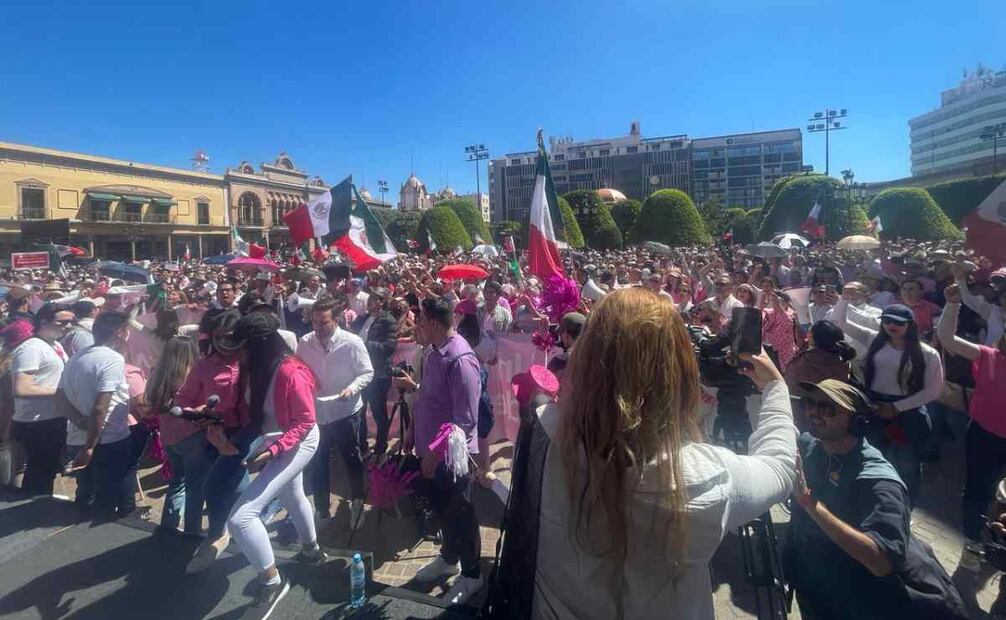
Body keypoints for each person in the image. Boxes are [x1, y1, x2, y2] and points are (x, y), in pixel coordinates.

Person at [531, 287, 797, 618]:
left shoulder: (542, 432)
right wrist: (775, 388)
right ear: (679, 374)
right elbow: (780, 467)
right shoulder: (706, 478)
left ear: (585, 357)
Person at [788, 379, 967, 620]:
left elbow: (881, 561)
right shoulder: (812, 446)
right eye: (810, 404)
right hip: (819, 589)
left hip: (865, 603)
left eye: (826, 408)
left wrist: (810, 504)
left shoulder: (879, 482)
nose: (813, 412)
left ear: (857, 422)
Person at [223, 312, 325, 620]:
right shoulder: (254, 368)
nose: (236, 353)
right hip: (277, 438)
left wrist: (274, 451)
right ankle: (312, 550)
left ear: (261, 345)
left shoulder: (292, 372)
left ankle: (271, 583)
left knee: (241, 519)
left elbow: (305, 421)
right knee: (292, 495)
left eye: (242, 346)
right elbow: (252, 413)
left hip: (300, 438)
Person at [393, 295, 483, 605]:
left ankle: (472, 574)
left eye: (420, 321)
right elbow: (428, 397)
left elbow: (465, 420)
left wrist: (433, 453)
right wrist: (414, 433)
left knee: (461, 513)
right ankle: (448, 558)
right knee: (442, 509)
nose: (416, 326)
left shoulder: (460, 359)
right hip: (429, 450)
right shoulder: (432, 352)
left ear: (432, 323)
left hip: (450, 458)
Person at [832, 297, 943, 506]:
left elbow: (933, 391)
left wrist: (896, 407)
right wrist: (845, 298)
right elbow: (840, 321)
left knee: (907, 465)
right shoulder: (873, 339)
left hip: (908, 411)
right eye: (887, 321)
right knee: (872, 457)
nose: (892, 326)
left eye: (899, 322)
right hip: (874, 407)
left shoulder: (928, 353)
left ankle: (904, 508)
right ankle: (873, 502)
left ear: (910, 325)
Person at [177, 309, 248, 574]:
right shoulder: (204, 365)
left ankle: (246, 538)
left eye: (229, 337)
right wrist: (198, 413)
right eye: (218, 337)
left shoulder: (251, 361)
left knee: (242, 492)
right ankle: (217, 535)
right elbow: (184, 399)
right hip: (215, 436)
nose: (223, 343)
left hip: (250, 435)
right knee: (215, 490)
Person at [938, 284, 1006, 553]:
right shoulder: (989, 356)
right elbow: (946, 337)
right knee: (979, 488)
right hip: (984, 435)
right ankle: (973, 540)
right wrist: (952, 303)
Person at [298, 294, 373, 529]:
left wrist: (352, 389)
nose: (318, 327)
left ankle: (357, 503)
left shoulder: (352, 342)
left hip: (346, 412)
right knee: (318, 463)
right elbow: (298, 370)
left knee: (352, 459)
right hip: (317, 413)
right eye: (315, 322)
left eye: (324, 322)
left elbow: (367, 372)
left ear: (336, 320)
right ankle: (321, 510)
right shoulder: (304, 342)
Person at [57, 312, 135, 516]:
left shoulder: (76, 357)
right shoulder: (113, 359)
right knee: (107, 496)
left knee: (85, 491)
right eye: (127, 331)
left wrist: (80, 422)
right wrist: (90, 445)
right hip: (106, 441)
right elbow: (101, 407)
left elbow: (60, 397)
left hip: (78, 437)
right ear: (119, 333)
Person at [145, 335, 209, 535]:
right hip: (192, 436)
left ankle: (168, 527)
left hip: (168, 437)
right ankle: (192, 531)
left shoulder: (157, 374)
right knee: (195, 487)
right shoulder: (193, 376)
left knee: (176, 482)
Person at [9, 303, 72, 496]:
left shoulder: (55, 344)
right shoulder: (31, 348)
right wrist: (62, 392)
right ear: (44, 322)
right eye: (62, 322)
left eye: (71, 322)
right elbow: (21, 387)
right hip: (36, 422)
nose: (68, 326)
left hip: (52, 418)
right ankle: (33, 510)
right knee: (39, 472)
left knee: (47, 471)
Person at [350, 287, 398, 459]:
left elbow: (389, 347)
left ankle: (380, 447)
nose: (369, 302)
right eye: (369, 298)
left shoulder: (388, 321)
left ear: (382, 302)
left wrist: (365, 344)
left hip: (378, 374)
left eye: (374, 299)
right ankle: (362, 445)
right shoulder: (362, 318)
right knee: (359, 411)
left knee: (379, 413)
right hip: (360, 372)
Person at [546, 311, 585, 382]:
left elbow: (546, 385)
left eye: (561, 333)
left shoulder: (559, 362)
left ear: (566, 334)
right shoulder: (596, 359)